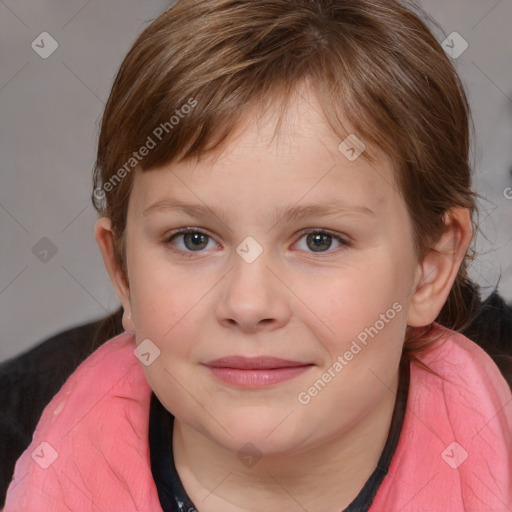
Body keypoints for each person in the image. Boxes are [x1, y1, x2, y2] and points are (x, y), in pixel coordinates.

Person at [4, 0, 512, 510]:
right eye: (193, 239)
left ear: (429, 268)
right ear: (123, 272)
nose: (248, 305)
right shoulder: (16, 431)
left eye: (319, 240)